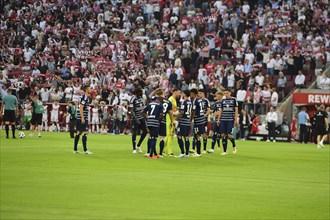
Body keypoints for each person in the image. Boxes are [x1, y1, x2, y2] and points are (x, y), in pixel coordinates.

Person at [149, 88, 173, 157]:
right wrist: (171, 121)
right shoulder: (168, 102)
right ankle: (160, 153)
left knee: (153, 137)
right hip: (163, 121)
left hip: (155, 121)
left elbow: (150, 97)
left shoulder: (156, 100)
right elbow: (170, 113)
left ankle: (152, 152)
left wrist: (155, 91)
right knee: (162, 138)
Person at [217, 89, 238, 155]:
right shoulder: (223, 100)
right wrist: (218, 119)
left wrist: (236, 119)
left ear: (230, 93)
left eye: (227, 93)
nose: (225, 94)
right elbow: (221, 110)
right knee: (223, 135)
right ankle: (225, 151)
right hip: (223, 119)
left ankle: (234, 145)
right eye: (225, 93)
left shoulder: (234, 100)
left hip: (230, 120)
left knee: (229, 135)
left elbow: (236, 110)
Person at [73, 85, 93, 154]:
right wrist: (82, 118)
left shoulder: (82, 96)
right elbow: (81, 107)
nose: (91, 89)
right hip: (82, 117)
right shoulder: (85, 97)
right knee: (85, 132)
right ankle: (85, 150)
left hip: (79, 117)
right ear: (86, 90)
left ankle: (75, 149)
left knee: (79, 132)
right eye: (89, 88)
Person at [129, 88, 147, 154]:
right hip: (135, 118)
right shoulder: (133, 98)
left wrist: (146, 118)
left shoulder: (141, 98)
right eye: (141, 92)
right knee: (134, 132)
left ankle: (138, 145)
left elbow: (143, 109)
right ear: (138, 92)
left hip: (141, 117)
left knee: (145, 131)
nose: (142, 93)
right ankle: (134, 148)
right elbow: (131, 109)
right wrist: (136, 118)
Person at [190, 88, 205, 157]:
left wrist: (190, 119)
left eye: (191, 93)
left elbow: (193, 111)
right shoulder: (200, 100)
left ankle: (198, 153)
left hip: (198, 120)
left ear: (193, 93)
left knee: (197, 135)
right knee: (197, 135)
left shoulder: (195, 100)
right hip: (201, 119)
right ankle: (197, 151)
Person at [165, 89, 180, 156]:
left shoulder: (173, 99)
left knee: (170, 135)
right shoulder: (170, 99)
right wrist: (172, 119)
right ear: (175, 92)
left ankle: (164, 149)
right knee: (170, 135)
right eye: (178, 93)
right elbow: (169, 110)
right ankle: (169, 151)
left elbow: (173, 109)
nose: (179, 94)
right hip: (170, 119)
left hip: (172, 119)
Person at [176, 90, 191, 158]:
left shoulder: (184, 102)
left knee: (179, 136)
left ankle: (182, 152)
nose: (181, 94)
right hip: (188, 121)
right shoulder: (190, 102)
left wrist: (176, 119)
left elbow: (182, 113)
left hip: (182, 122)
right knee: (186, 137)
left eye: (182, 93)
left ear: (184, 94)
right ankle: (187, 154)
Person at [198, 90, 211, 154]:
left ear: (203, 94)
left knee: (204, 134)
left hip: (204, 120)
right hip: (198, 119)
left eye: (201, 93)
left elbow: (209, 110)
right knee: (197, 133)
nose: (199, 94)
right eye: (198, 93)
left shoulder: (206, 101)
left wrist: (205, 115)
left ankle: (204, 149)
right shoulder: (197, 100)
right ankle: (194, 148)